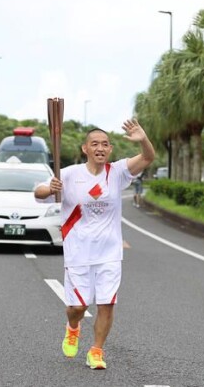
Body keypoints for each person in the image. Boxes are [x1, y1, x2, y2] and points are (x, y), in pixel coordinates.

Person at [34, 118, 154, 369]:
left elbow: (147, 158)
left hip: (110, 253)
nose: (100, 148)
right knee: (77, 307)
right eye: (95, 144)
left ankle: (96, 351)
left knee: (106, 304)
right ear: (85, 148)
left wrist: (143, 139)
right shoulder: (69, 174)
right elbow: (39, 193)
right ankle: (73, 326)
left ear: (110, 149)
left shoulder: (117, 172)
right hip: (78, 252)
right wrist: (50, 189)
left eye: (105, 144)